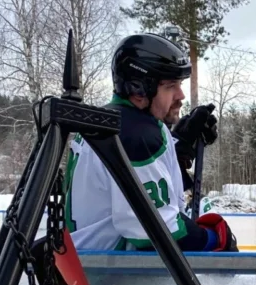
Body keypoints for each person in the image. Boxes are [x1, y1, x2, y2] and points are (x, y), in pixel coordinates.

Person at [67, 33, 237, 252]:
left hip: (97, 270)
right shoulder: (136, 135)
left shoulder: (111, 122)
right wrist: (214, 238)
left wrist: (179, 144)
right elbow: (156, 227)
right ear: (139, 90)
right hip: (115, 280)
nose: (181, 95)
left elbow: (131, 184)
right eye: (171, 86)